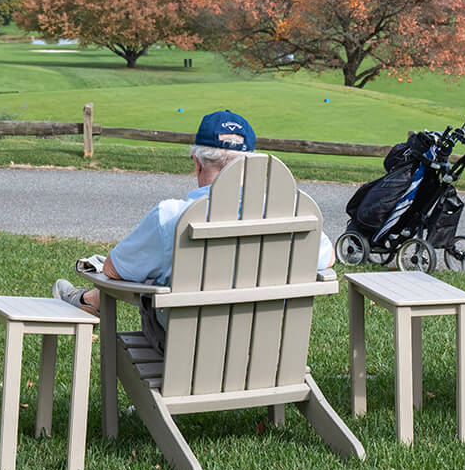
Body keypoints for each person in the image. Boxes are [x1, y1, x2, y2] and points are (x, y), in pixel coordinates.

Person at [53, 109, 335, 352]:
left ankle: (90, 301)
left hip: (184, 350)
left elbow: (114, 271)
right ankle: (94, 300)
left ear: (197, 162)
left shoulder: (172, 216)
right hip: (264, 348)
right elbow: (328, 257)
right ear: (250, 165)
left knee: (159, 274)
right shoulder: (290, 215)